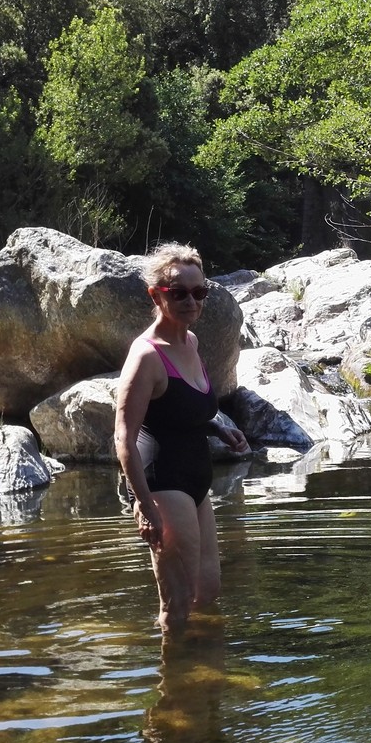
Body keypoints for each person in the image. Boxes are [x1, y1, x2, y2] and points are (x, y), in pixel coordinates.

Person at [114, 243, 249, 634]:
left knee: (206, 590)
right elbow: (123, 437)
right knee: (177, 601)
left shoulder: (190, 343)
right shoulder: (146, 356)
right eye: (179, 293)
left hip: (196, 478)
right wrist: (143, 505)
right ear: (156, 295)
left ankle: (199, 668)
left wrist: (218, 427)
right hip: (163, 482)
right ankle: (172, 671)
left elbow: (180, 408)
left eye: (199, 292)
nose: (191, 301)